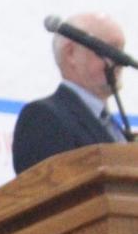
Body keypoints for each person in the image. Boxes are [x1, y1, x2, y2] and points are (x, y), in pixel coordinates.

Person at [12, 12, 131, 172]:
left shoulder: (114, 126)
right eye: (111, 50)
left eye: (122, 50)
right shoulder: (43, 118)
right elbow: (46, 189)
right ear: (71, 54)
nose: (121, 60)